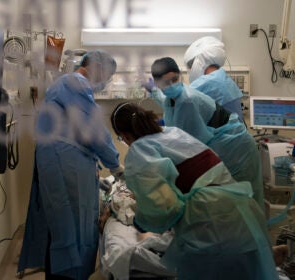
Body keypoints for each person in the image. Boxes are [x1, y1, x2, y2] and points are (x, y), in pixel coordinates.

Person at [110, 102, 278, 280]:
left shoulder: (140, 151)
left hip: (208, 220)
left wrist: (142, 221)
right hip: (241, 211)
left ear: (125, 135)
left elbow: (163, 208)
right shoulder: (173, 133)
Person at [18, 50, 124, 280]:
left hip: (63, 160)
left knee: (62, 226)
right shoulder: (73, 82)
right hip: (65, 164)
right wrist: (116, 165)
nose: (105, 83)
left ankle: (64, 272)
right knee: (72, 228)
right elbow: (93, 128)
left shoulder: (68, 85)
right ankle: (69, 275)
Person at [146, 57, 264, 211]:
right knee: (229, 203)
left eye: (174, 79)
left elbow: (188, 147)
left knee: (242, 202)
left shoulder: (187, 100)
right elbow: (165, 100)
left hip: (236, 150)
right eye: (165, 83)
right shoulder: (173, 97)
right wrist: (152, 90)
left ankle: (250, 234)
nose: (171, 85)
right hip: (224, 146)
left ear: (180, 75)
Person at [184, 36, 244, 122]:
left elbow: (181, 101)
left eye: (190, 66)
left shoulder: (207, 83)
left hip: (222, 134)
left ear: (200, 61)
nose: (189, 70)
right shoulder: (221, 77)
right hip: (235, 132)